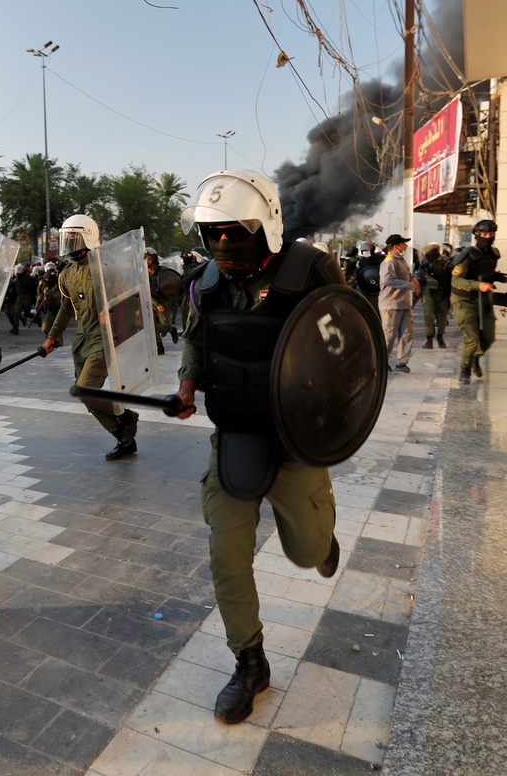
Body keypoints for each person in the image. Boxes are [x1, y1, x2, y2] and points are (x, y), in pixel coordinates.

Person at [173, 170, 343, 725]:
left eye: (234, 231)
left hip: (294, 441)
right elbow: (196, 339)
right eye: (213, 233)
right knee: (226, 555)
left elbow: (348, 345)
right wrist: (187, 386)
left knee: (307, 553)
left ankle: (322, 533)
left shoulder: (311, 270)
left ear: (264, 225)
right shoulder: (205, 282)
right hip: (235, 436)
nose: (223, 243)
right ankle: (250, 663)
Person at [42, 214, 139, 460]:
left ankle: (126, 417)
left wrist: (114, 309)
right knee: (85, 396)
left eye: (74, 238)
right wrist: (53, 335)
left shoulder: (105, 268)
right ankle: (123, 437)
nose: (69, 243)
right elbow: (66, 308)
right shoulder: (66, 275)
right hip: (82, 340)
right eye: (67, 238)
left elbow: (132, 296)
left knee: (84, 391)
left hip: (105, 338)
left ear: (88, 237)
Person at [451, 219, 507, 384]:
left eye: (491, 234)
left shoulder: (493, 254)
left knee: (488, 337)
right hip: (464, 300)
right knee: (472, 339)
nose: (487, 237)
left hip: (484, 299)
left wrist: (504, 279)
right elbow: (456, 280)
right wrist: (478, 285)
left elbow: (489, 273)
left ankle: (475, 358)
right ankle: (465, 369)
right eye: (484, 234)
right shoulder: (467, 255)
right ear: (477, 235)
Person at [379, 234, 419, 373]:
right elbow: (388, 280)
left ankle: (402, 363)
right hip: (391, 304)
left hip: (404, 303)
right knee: (389, 335)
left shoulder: (401, 260)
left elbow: (407, 276)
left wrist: (414, 280)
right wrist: (409, 285)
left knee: (407, 334)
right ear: (396, 246)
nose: (406, 246)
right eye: (404, 244)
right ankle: (382, 362)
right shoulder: (389, 262)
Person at [415, 242, 452, 348]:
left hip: (443, 292)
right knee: (428, 316)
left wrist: (452, 294)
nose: (427, 255)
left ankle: (440, 337)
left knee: (442, 317)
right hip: (428, 291)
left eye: (429, 253)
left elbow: (453, 279)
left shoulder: (447, 262)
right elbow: (419, 274)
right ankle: (429, 339)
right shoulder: (425, 262)